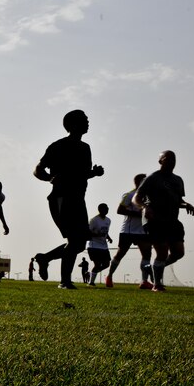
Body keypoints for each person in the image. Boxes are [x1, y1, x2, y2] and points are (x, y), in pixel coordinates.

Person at [32, 110, 104, 289]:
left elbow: (83, 174)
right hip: (61, 198)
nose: (88, 123)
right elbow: (37, 169)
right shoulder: (58, 146)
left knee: (79, 244)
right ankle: (65, 281)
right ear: (72, 125)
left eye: (88, 120)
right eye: (84, 120)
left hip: (79, 199)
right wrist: (49, 178)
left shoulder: (85, 148)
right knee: (74, 240)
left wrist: (94, 173)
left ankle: (45, 258)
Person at [133, 150, 194, 292]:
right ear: (160, 161)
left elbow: (178, 200)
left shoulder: (178, 180)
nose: (171, 161)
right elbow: (136, 197)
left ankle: (153, 268)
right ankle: (157, 284)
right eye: (167, 158)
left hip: (172, 220)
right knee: (162, 252)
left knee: (178, 252)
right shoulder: (153, 178)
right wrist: (144, 207)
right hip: (155, 220)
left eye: (174, 159)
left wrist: (186, 205)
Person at [106, 174, 152, 289]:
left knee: (147, 254)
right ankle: (110, 276)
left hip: (143, 230)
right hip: (128, 230)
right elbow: (119, 210)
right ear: (137, 182)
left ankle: (144, 281)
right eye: (145, 181)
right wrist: (140, 214)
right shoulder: (129, 195)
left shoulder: (148, 196)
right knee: (120, 254)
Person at [85, 203, 112, 286]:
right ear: (100, 210)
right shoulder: (94, 220)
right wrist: (97, 235)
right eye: (104, 208)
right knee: (97, 264)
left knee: (106, 264)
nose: (106, 210)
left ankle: (93, 272)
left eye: (107, 208)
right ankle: (91, 282)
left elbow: (105, 232)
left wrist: (109, 237)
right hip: (94, 246)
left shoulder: (108, 220)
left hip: (104, 246)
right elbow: (87, 233)